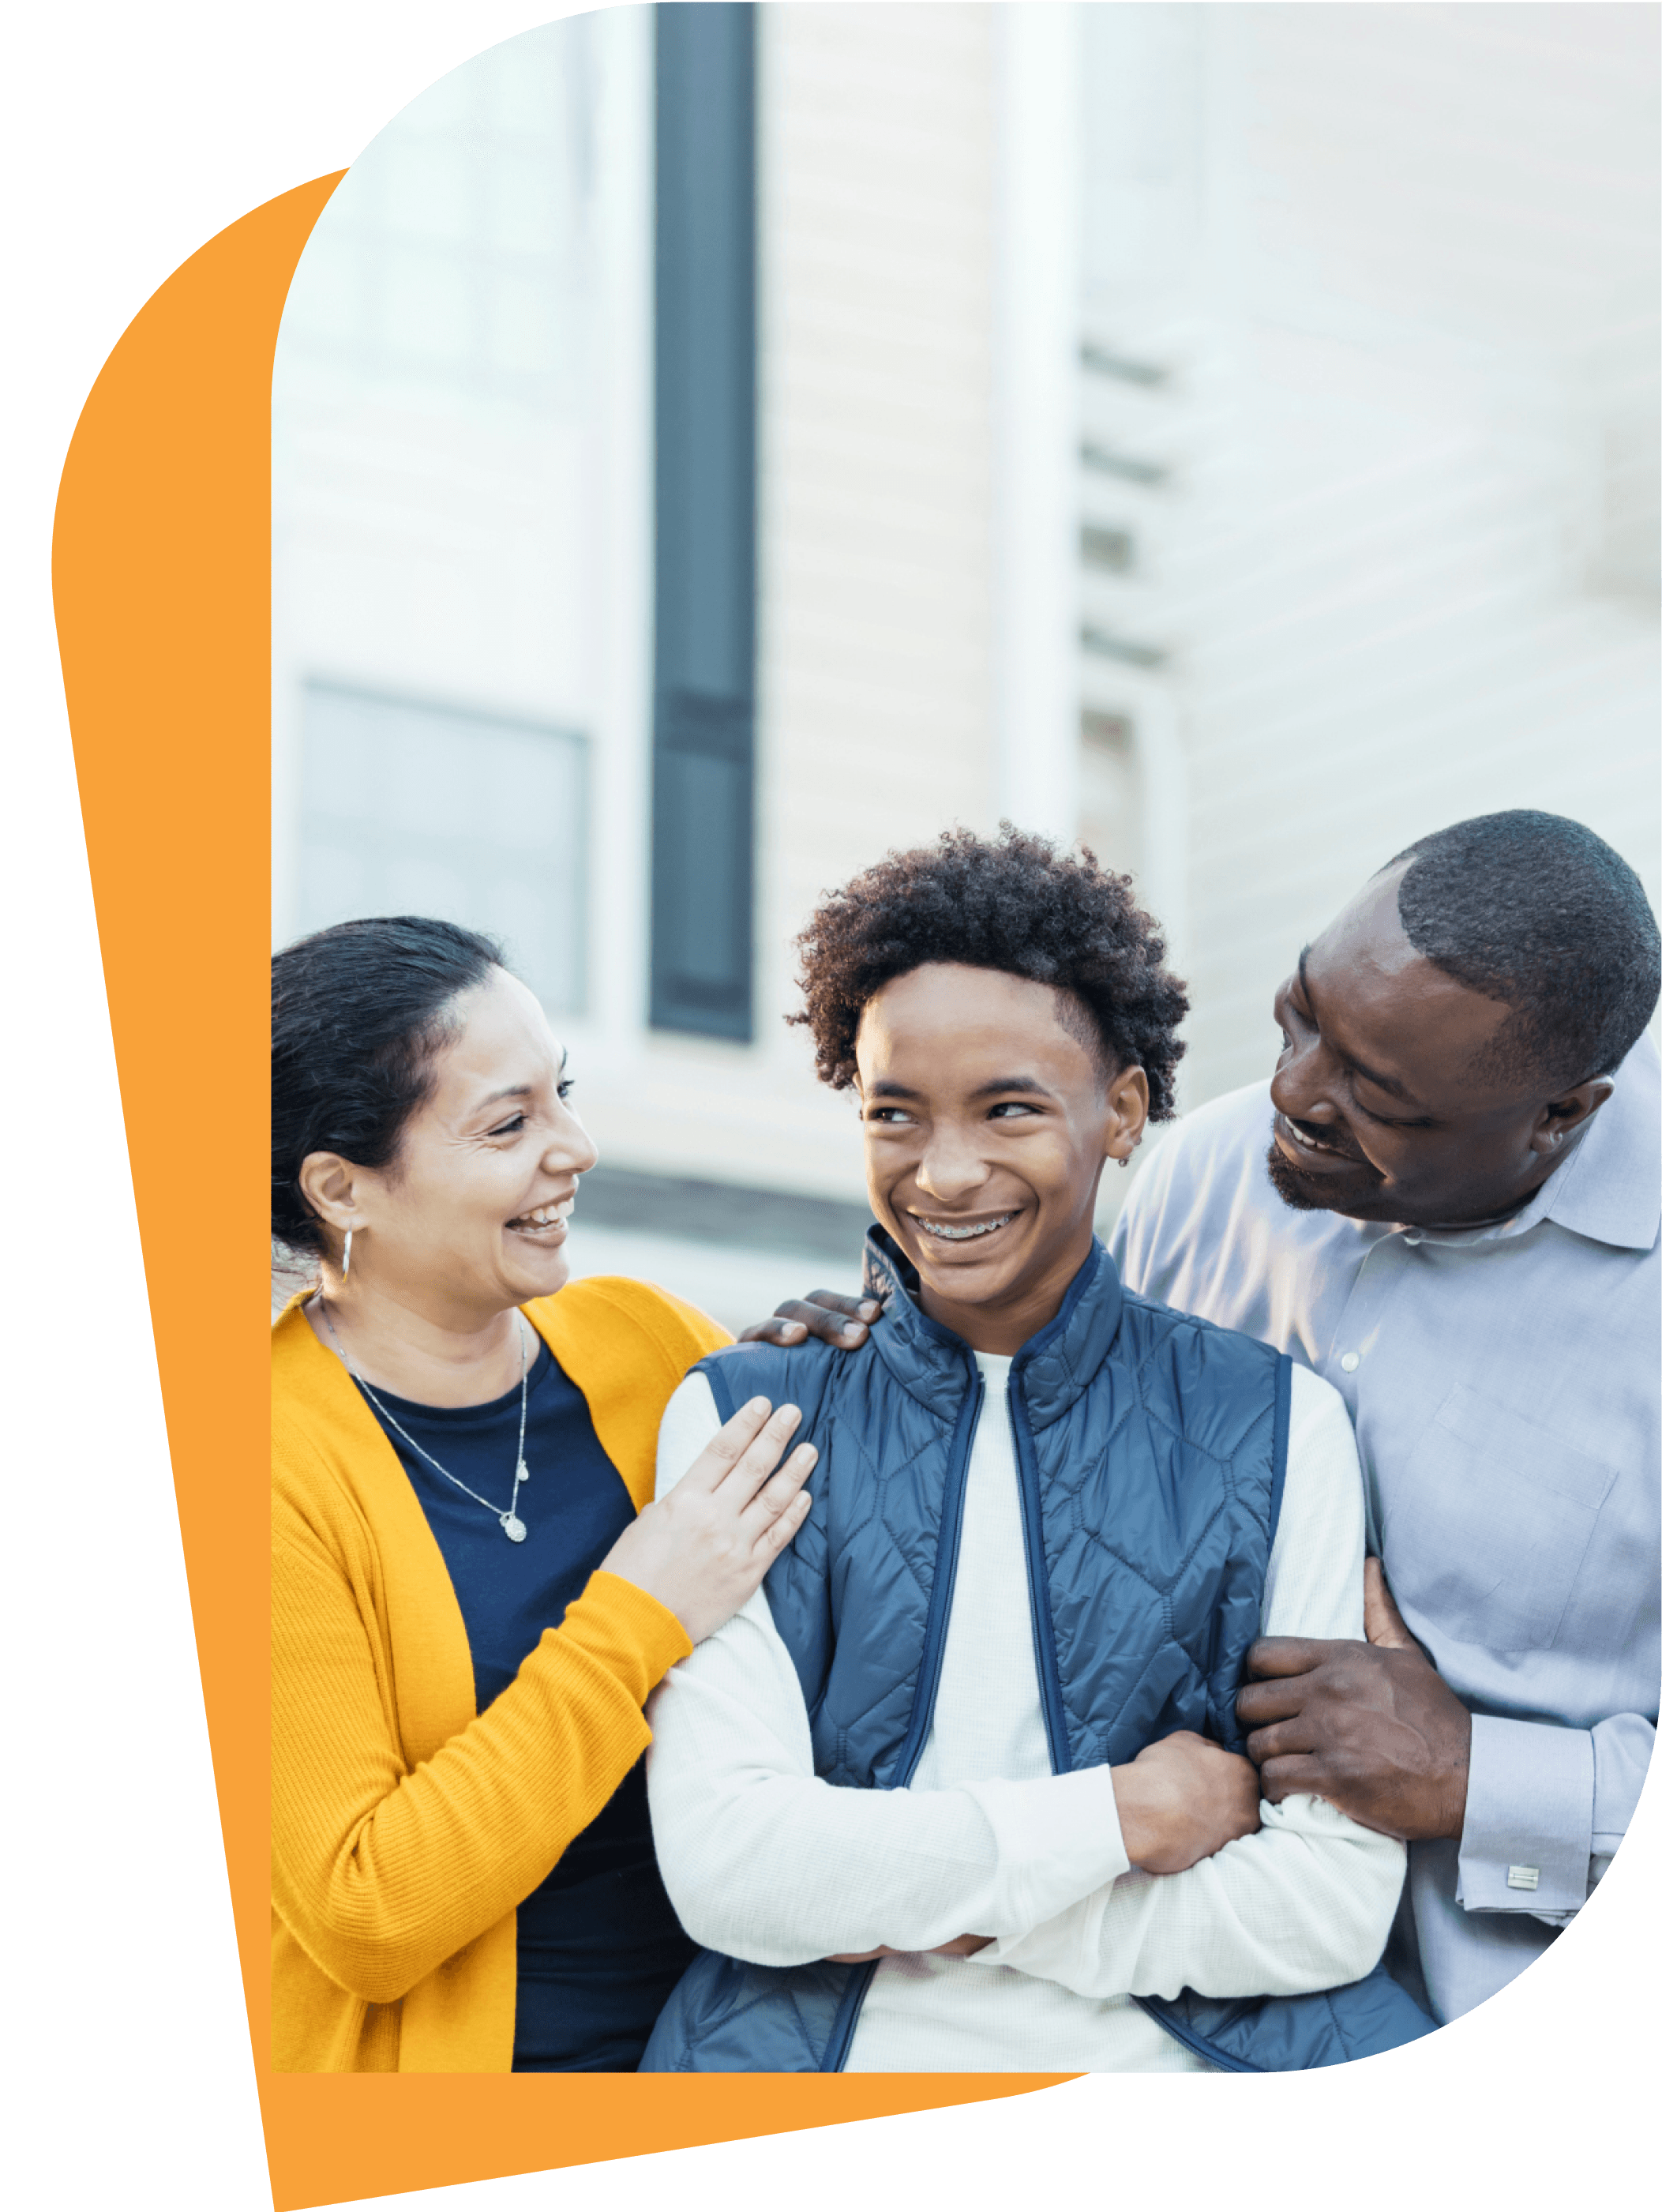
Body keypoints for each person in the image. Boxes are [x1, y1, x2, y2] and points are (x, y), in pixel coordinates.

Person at [640, 828, 1433, 2074]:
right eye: (893, 1113)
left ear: (1120, 1114)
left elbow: (1326, 1911)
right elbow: (733, 1875)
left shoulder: (1277, 1424)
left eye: (1009, 1109)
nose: (945, 1173)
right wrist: (1124, 1817)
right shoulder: (749, 1418)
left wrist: (934, 1912)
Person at [1106, 810, 1660, 2026]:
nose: (1295, 1093)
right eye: (1305, 1014)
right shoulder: (1204, 1176)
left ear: (1561, 1115)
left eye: (1378, 1093)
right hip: (1153, 1991)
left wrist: (1477, 1778)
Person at [271, 915, 842, 2073]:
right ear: (343, 1187)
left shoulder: (643, 1339)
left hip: (743, 2056)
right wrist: (637, 1616)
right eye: (508, 1124)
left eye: (563, 1094)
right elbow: (365, 1910)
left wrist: (844, 1402)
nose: (574, 1146)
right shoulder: (252, 1469)